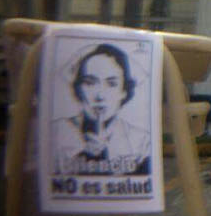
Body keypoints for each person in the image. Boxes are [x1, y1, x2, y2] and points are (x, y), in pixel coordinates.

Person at [51, 44, 151, 175]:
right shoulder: (55, 133)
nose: (100, 96)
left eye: (111, 84)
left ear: (124, 91)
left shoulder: (141, 142)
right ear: (79, 89)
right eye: (90, 82)